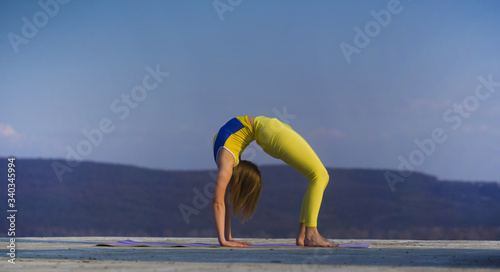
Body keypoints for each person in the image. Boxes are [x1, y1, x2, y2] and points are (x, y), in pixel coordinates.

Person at [212, 115, 338, 247]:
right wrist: (227, 238)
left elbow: (218, 203)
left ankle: (309, 234)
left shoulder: (226, 167)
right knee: (318, 176)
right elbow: (222, 202)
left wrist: (223, 241)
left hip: (271, 131)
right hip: (269, 128)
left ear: (239, 183)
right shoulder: (225, 161)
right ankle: (305, 235)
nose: (230, 192)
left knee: (320, 176)